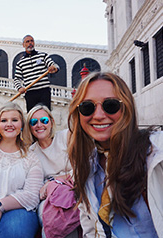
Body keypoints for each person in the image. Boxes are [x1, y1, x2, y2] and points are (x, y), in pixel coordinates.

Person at [67, 72, 163, 237]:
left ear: (126, 108)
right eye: (87, 107)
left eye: (110, 105)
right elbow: (91, 229)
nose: (98, 116)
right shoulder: (84, 166)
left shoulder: (157, 151)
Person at [0, 102, 44, 238]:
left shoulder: (32, 158)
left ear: (21, 125)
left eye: (14, 120)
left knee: (15, 229)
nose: (9, 124)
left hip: (17, 211)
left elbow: (32, 196)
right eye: (4, 120)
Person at [27, 104, 80, 238]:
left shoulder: (66, 136)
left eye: (44, 120)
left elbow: (81, 170)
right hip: (50, 196)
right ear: (30, 128)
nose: (39, 125)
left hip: (76, 188)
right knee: (47, 216)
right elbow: (37, 187)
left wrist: (56, 180)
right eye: (34, 122)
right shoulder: (31, 152)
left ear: (51, 122)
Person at [14, 35, 59, 112]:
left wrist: (53, 67)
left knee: (45, 113)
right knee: (32, 115)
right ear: (23, 45)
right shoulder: (20, 63)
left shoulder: (43, 56)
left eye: (31, 41)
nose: (30, 43)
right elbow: (17, 79)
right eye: (27, 42)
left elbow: (54, 65)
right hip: (30, 92)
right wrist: (20, 88)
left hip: (44, 91)